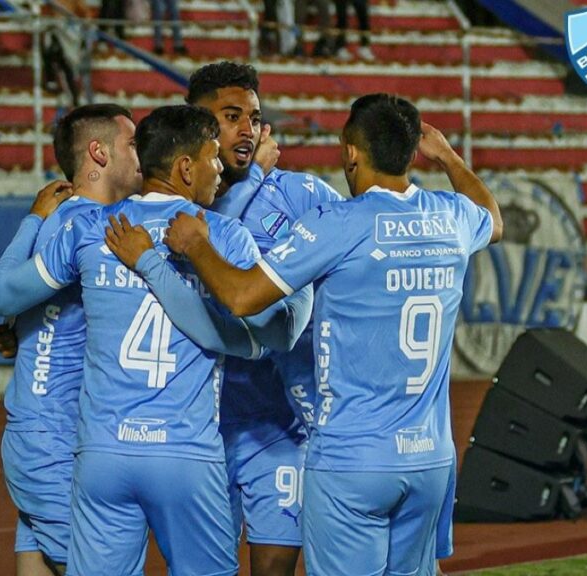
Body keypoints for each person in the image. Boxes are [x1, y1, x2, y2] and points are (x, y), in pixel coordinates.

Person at [162, 94, 503, 575]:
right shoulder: (451, 217)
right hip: (430, 461)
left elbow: (241, 296)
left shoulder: (339, 224)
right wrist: (448, 157)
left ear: (350, 153)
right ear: (412, 154)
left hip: (352, 459)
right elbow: (493, 215)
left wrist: (197, 246)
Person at [0, 105, 312, 576]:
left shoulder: (90, 228)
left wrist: (33, 233)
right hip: (184, 455)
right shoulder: (223, 235)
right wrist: (298, 289)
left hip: (103, 456)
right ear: (185, 167)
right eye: (213, 159)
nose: (221, 171)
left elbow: (6, 294)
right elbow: (270, 334)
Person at [184, 61, 343, 576]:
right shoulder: (167, 197)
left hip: (277, 425)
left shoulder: (302, 196)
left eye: (254, 118)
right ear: (198, 124)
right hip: (195, 431)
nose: (247, 130)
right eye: (232, 117)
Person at [0, 103, 142, 576]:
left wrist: (21, 333)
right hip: (52, 438)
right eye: (132, 143)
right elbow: (2, 294)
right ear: (98, 152)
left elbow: (37, 303)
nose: (143, 155)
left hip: (45, 430)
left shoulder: (62, 218)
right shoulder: (85, 227)